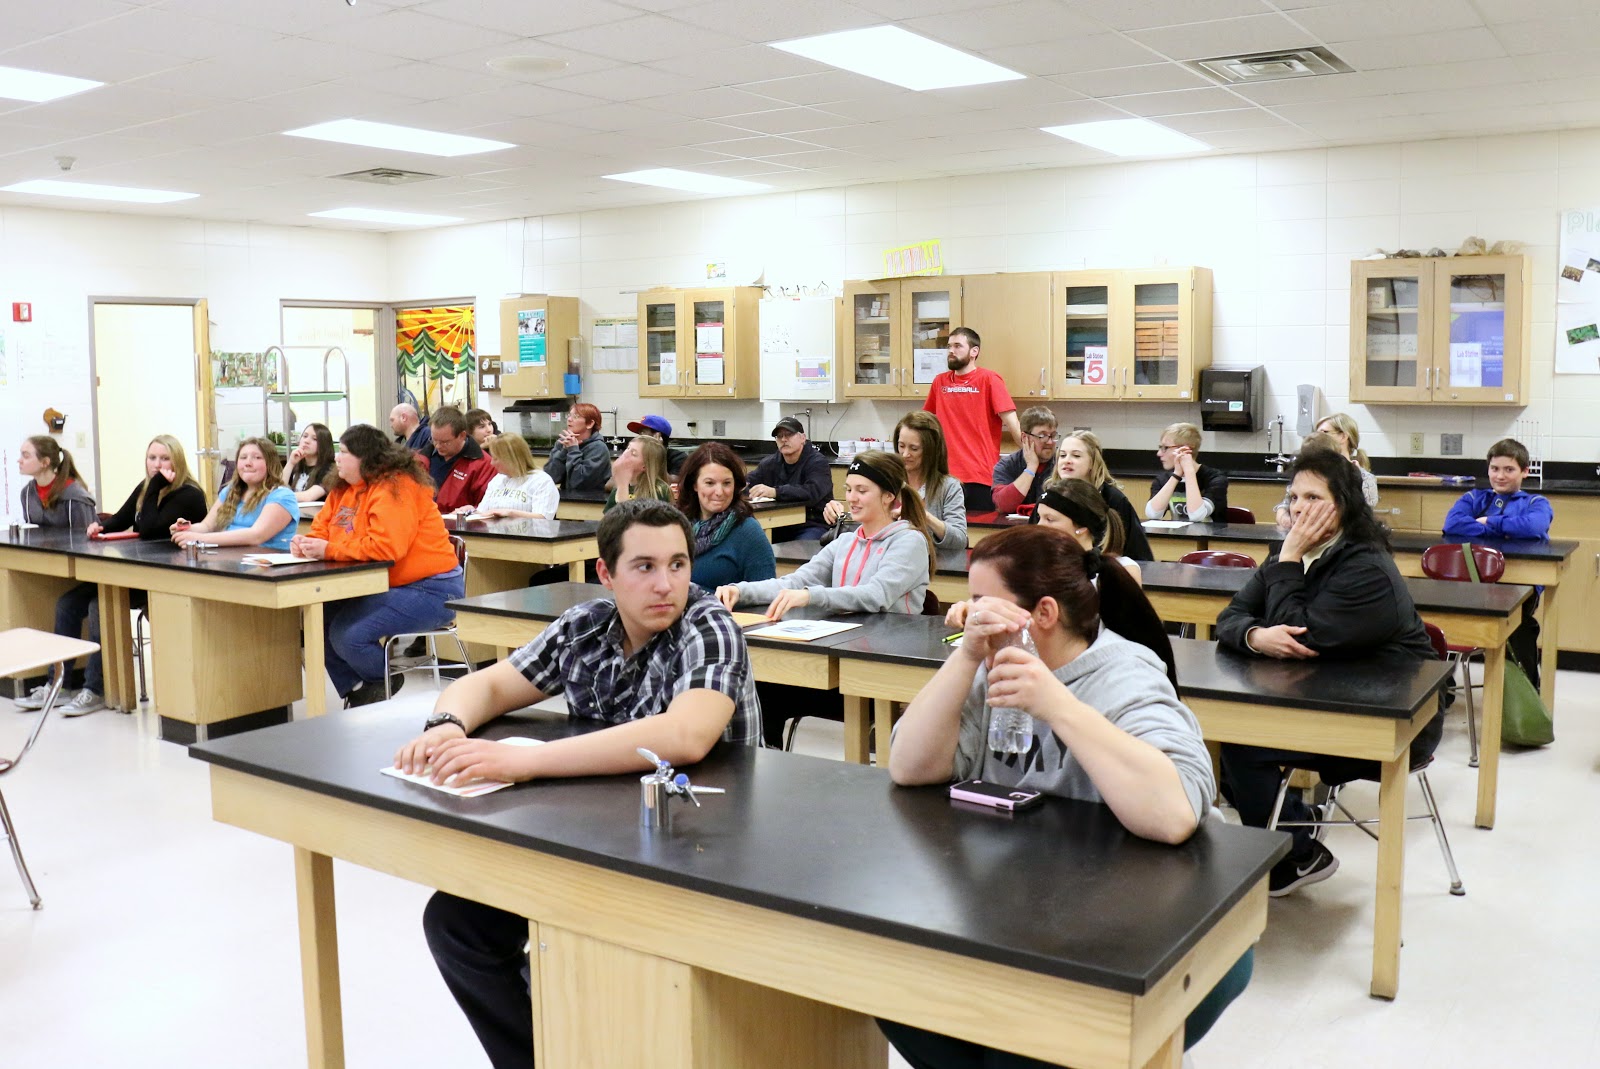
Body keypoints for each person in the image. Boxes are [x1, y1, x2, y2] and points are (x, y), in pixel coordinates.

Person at [399, 499, 760, 1069]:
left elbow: (686, 735)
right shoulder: (585, 626)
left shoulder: (707, 624)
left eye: (678, 564)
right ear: (606, 573)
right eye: (644, 566)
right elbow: (490, 687)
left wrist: (524, 762)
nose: (666, 583)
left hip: (700, 848)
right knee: (457, 924)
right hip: (600, 833)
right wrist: (446, 724)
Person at [881, 524, 1246, 1065]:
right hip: (1030, 911)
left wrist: (1058, 706)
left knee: (1029, 1044)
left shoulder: (1127, 675)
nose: (969, 613)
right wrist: (964, 658)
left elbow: (1173, 815)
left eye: (984, 602)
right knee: (887, 984)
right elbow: (909, 768)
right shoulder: (992, 664)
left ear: (1044, 613)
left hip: (1156, 932)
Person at [1216, 449, 1440, 897]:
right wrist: (1256, 637)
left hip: (1392, 714)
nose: (1299, 508)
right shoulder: (1292, 554)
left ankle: (1294, 855)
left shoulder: (1365, 567)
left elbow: (1302, 638)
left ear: (1343, 504)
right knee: (1217, 727)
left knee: (1242, 742)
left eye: (1313, 497)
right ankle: (1296, 827)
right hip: (1319, 695)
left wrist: (1289, 560)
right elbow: (1233, 615)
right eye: (1294, 496)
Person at [721, 450, 936, 748]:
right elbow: (795, 581)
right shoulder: (846, 540)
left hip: (879, 668)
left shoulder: (909, 542)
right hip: (840, 653)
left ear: (888, 496)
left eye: (862, 491)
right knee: (762, 684)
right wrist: (740, 590)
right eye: (849, 490)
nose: (853, 498)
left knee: (772, 688)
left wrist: (810, 596)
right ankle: (765, 762)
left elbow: (876, 595)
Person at [16, 435, 208, 718]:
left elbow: (153, 529)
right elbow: (121, 518)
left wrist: (155, 486)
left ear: (177, 461)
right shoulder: (147, 488)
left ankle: (96, 689)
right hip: (132, 572)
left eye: (164, 459)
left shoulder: (188, 493)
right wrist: (99, 526)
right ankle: (60, 683)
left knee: (97, 607)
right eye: (152, 458)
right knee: (66, 604)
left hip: (166, 578)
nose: (157, 465)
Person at [291, 424, 465, 708]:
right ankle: (361, 688)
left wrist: (330, 550)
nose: (336, 458)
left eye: (344, 452)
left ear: (366, 457)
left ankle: (381, 681)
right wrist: (307, 544)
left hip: (432, 590)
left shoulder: (397, 487)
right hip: (382, 584)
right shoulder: (342, 488)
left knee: (347, 634)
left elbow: (387, 549)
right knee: (316, 618)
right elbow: (322, 530)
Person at [1442, 437, 1552, 686]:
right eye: (1495, 469)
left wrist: (1488, 522)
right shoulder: (1474, 498)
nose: (1500, 476)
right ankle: (1439, 690)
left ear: (1525, 471)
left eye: (1509, 469)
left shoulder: (1535, 503)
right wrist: (1506, 530)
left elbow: (1533, 526)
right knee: (1438, 620)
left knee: (1520, 628)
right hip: (1473, 584)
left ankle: (1524, 690)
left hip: (1519, 586)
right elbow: (1453, 524)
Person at [922, 327, 1022, 513]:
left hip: (980, 477)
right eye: (949, 346)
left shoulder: (989, 380)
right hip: (944, 477)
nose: (951, 350)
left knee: (978, 535)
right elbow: (925, 424)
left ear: (974, 351)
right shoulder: (940, 382)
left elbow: (1012, 423)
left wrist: (1032, 458)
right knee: (943, 535)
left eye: (958, 346)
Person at [675, 442, 775, 590]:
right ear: (694, 485)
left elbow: (767, 593)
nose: (719, 492)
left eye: (727, 483)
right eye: (710, 483)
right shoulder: (678, 526)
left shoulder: (748, 531)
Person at [171, 437, 297, 550]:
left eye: (257, 457)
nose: (248, 463)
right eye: (243, 458)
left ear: (271, 464)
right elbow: (207, 526)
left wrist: (199, 539)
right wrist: (187, 529)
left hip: (266, 567)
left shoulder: (282, 496)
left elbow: (256, 536)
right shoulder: (230, 491)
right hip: (232, 560)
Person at [1050, 430, 1154, 562]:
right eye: (1062, 455)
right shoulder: (1050, 497)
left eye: (1076, 456)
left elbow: (1139, 554)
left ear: (1093, 462)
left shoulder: (1114, 500)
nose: (1067, 461)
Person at [1036, 478, 1141, 584]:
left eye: (1049, 519)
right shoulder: (1034, 567)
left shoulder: (1121, 570)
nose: (1039, 525)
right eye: (1039, 517)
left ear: (1082, 527)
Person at [747, 416, 833, 540]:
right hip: (778, 524)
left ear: (803, 438)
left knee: (800, 551)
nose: (784, 439)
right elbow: (747, 481)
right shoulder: (769, 463)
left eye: (789, 434)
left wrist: (775, 492)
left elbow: (811, 492)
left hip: (811, 523)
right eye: (779, 436)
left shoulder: (817, 462)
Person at [1273, 430, 1377, 529]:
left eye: (1313, 497)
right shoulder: (1301, 480)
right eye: (1295, 498)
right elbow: (1285, 504)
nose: (1297, 508)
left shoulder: (1350, 478)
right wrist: (1284, 517)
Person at [457, 434, 559, 520]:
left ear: (511, 459)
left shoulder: (541, 481)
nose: (492, 463)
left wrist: (510, 513)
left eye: (496, 459)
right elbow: (483, 512)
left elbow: (544, 519)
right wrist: (471, 511)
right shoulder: (497, 480)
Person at [420, 406, 497, 514]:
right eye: (434, 440)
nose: (438, 446)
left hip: (457, 527)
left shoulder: (483, 465)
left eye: (445, 442)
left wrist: (469, 511)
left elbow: (486, 506)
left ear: (462, 435)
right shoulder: (419, 460)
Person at [1146, 421, 1228, 522]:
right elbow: (1153, 514)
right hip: (1179, 536)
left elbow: (1197, 516)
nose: (1159, 453)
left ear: (1185, 449)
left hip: (1209, 536)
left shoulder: (1215, 479)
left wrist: (1189, 472)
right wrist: (1176, 475)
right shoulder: (1164, 479)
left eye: (1165, 448)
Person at [989, 405, 1058, 516]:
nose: (1050, 442)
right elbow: (1003, 505)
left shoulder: (1062, 463)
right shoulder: (1007, 465)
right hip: (1015, 531)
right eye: (1042, 435)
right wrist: (1031, 468)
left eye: (1053, 435)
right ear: (1025, 437)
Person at [16, 436, 95, 528]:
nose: (19, 460)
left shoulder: (75, 496)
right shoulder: (27, 493)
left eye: (26, 456)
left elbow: (84, 537)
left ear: (45, 462)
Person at [543, 402, 611, 492]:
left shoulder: (598, 448)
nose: (569, 419)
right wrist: (564, 451)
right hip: (567, 498)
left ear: (590, 424)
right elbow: (550, 477)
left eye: (576, 417)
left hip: (590, 502)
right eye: (569, 416)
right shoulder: (563, 442)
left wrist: (573, 450)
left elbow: (579, 483)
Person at [604, 435, 672, 510]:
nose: (625, 454)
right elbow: (609, 518)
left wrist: (622, 487)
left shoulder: (659, 490)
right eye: (628, 448)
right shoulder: (620, 486)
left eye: (633, 453)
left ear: (645, 466)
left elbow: (630, 519)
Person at [283, 423, 335, 503]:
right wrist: (290, 463)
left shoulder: (329, 469)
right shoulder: (297, 465)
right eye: (305, 436)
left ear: (324, 444)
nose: (306, 441)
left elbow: (308, 497)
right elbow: (279, 487)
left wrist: (280, 495)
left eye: (315, 439)